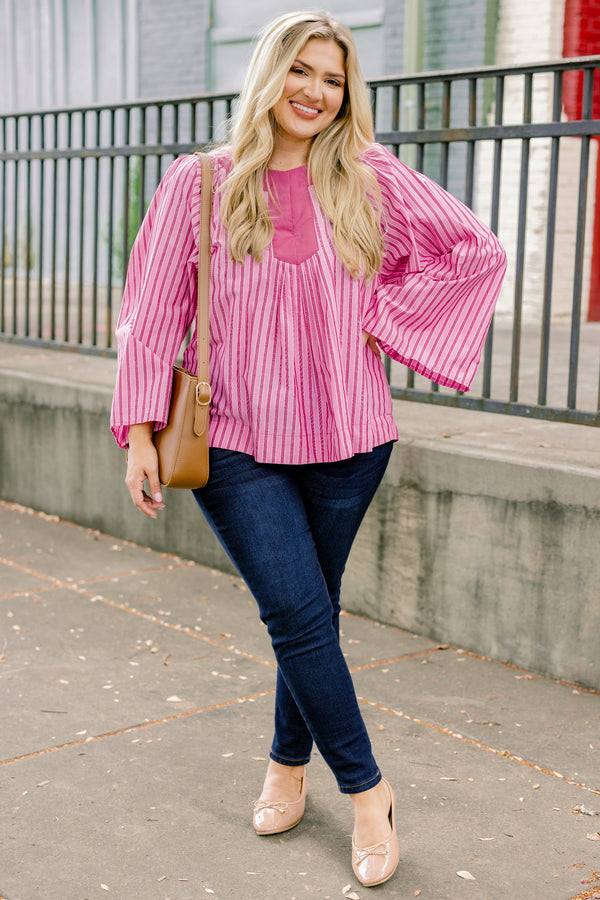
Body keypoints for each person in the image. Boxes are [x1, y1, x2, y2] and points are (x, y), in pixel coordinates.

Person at [111, 10, 506, 888]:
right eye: (302, 71)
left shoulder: (371, 178)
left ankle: (288, 766)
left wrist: (383, 317)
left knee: (311, 616)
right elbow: (152, 308)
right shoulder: (200, 182)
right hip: (234, 440)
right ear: (270, 73)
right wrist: (138, 432)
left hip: (349, 436)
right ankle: (369, 792)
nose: (316, 92)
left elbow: (474, 251)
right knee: (295, 613)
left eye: (333, 79)